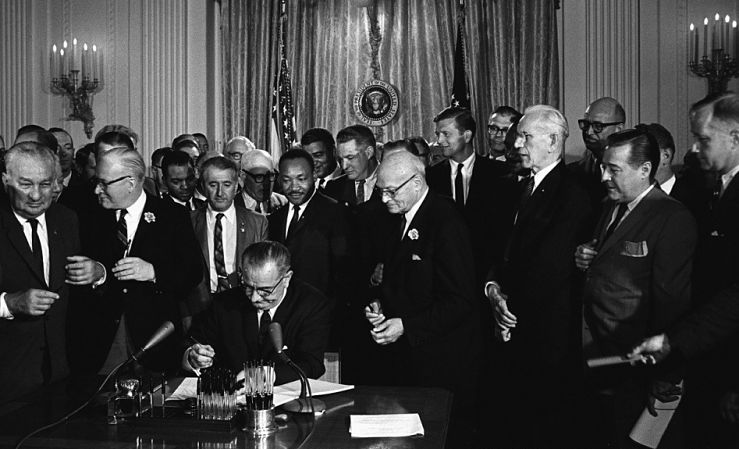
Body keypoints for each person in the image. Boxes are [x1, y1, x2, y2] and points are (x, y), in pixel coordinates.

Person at [575, 128, 696, 448]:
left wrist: (667, 373)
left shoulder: (672, 217)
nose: (604, 176)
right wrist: (587, 255)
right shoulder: (611, 204)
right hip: (599, 358)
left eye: (614, 169)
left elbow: (672, 302)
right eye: (603, 167)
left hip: (637, 369)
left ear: (645, 170)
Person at [485, 105, 593, 448]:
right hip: (517, 329)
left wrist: (507, 313)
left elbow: (549, 270)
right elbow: (501, 253)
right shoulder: (519, 189)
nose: (517, 144)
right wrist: (492, 289)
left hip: (545, 339)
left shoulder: (573, 194)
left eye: (526, 136)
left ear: (553, 141)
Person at [365, 150, 479, 447]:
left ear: (416, 182)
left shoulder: (446, 221)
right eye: (380, 190)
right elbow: (399, 281)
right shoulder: (396, 217)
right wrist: (379, 306)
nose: (384, 198)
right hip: (409, 361)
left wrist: (406, 326)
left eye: (391, 191)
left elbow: (461, 300)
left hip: (442, 365)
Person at [67, 146, 203, 375]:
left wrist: (153, 272)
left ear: (130, 183)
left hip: (155, 340)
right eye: (96, 182)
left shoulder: (171, 216)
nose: (97, 190)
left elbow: (192, 272)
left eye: (104, 183)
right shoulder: (87, 215)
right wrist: (99, 273)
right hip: (101, 344)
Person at [0, 142, 92, 402]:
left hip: (59, 374)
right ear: (6, 179)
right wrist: (9, 303)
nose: (36, 195)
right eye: (26, 184)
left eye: (45, 184)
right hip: (7, 376)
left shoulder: (66, 219)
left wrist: (97, 273)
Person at [184, 241, 332, 384]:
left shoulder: (311, 305)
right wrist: (193, 357)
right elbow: (193, 341)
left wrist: (268, 375)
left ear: (286, 279)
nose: (254, 298)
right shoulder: (223, 304)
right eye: (248, 287)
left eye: (265, 291)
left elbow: (312, 364)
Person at [268, 149, 355, 350]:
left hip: (322, 322)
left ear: (314, 175)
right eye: (287, 180)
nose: (294, 187)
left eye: (301, 179)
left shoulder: (337, 214)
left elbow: (344, 277)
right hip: (283, 323)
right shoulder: (275, 219)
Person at [427, 106, 514, 286]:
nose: (439, 141)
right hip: (443, 279)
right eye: (438, 134)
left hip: (485, 278)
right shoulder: (430, 177)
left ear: (466, 136)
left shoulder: (501, 175)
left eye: (446, 134)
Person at [187, 156, 267, 322]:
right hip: (200, 310)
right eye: (213, 184)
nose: (220, 193)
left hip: (244, 309)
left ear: (237, 186)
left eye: (227, 185)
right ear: (202, 186)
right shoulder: (188, 222)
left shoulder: (257, 222)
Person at [569, 97, 625, 213]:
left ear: (618, 129)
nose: (589, 132)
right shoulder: (570, 173)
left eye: (598, 126)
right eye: (585, 124)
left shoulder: (630, 172)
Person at [324, 125, 380, 206]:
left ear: (369, 153)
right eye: (341, 159)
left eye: (350, 158)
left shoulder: (394, 182)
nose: (344, 166)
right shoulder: (333, 187)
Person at [235, 149, 286, 214]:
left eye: (271, 176)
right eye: (259, 177)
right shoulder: (231, 206)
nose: (266, 183)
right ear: (243, 176)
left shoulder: (284, 203)